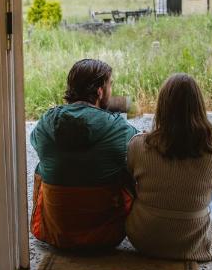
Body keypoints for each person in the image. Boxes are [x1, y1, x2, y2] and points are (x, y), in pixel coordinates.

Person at [30, 58, 138, 250]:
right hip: (107, 235)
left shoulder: (46, 123)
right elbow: (137, 125)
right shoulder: (120, 129)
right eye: (110, 85)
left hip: (57, 233)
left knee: (43, 164)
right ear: (99, 91)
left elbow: (39, 145)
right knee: (129, 166)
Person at [125, 73, 212, 261]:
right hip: (193, 241)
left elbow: (130, 185)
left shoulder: (138, 145)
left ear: (162, 106)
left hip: (145, 238)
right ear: (199, 107)